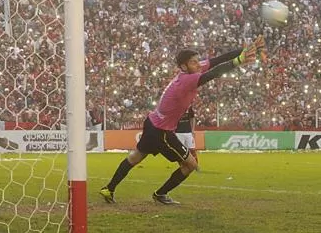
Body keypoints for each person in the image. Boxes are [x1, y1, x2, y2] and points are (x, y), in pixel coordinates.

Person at [99, 38, 261, 205]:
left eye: (198, 61)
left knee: (135, 157)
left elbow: (216, 61)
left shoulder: (189, 72)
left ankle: (109, 188)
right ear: (184, 66)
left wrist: (243, 49)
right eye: (194, 62)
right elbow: (214, 73)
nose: (199, 64)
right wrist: (239, 60)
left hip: (152, 123)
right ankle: (160, 194)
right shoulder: (187, 80)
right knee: (190, 165)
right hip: (161, 131)